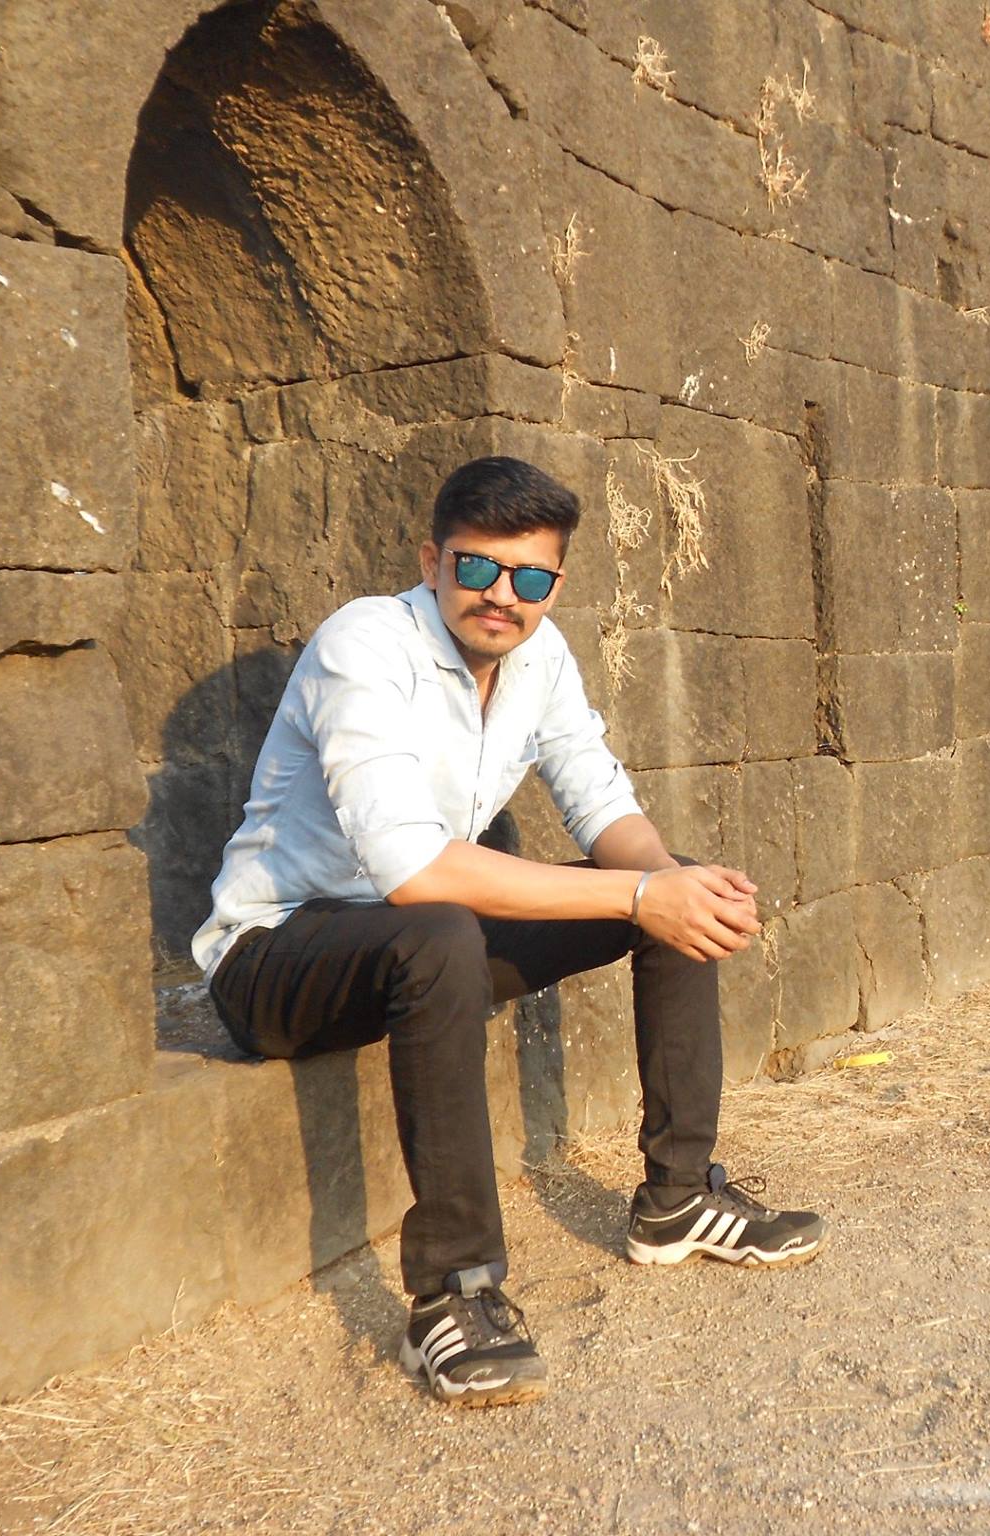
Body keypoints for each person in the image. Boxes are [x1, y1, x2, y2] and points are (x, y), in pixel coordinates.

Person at [192, 455, 826, 1407]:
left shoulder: (541, 657)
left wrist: (668, 885)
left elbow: (601, 804)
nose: (502, 595)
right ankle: (454, 1291)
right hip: (277, 955)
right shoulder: (364, 645)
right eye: (478, 567)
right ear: (433, 561)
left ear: (554, 584)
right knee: (456, 927)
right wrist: (636, 896)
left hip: (419, 943)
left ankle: (678, 1197)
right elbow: (412, 869)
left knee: (670, 884)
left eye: (529, 577)